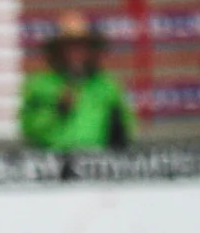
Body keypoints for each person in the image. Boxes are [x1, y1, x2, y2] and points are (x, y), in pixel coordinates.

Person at [18, 13, 136, 150]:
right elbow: (29, 129)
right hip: (53, 162)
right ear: (58, 50)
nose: (76, 53)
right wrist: (57, 111)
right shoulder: (41, 85)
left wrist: (119, 131)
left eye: (81, 47)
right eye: (70, 47)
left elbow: (128, 126)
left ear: (91, 50)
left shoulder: (106, 85)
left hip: (97, 162)